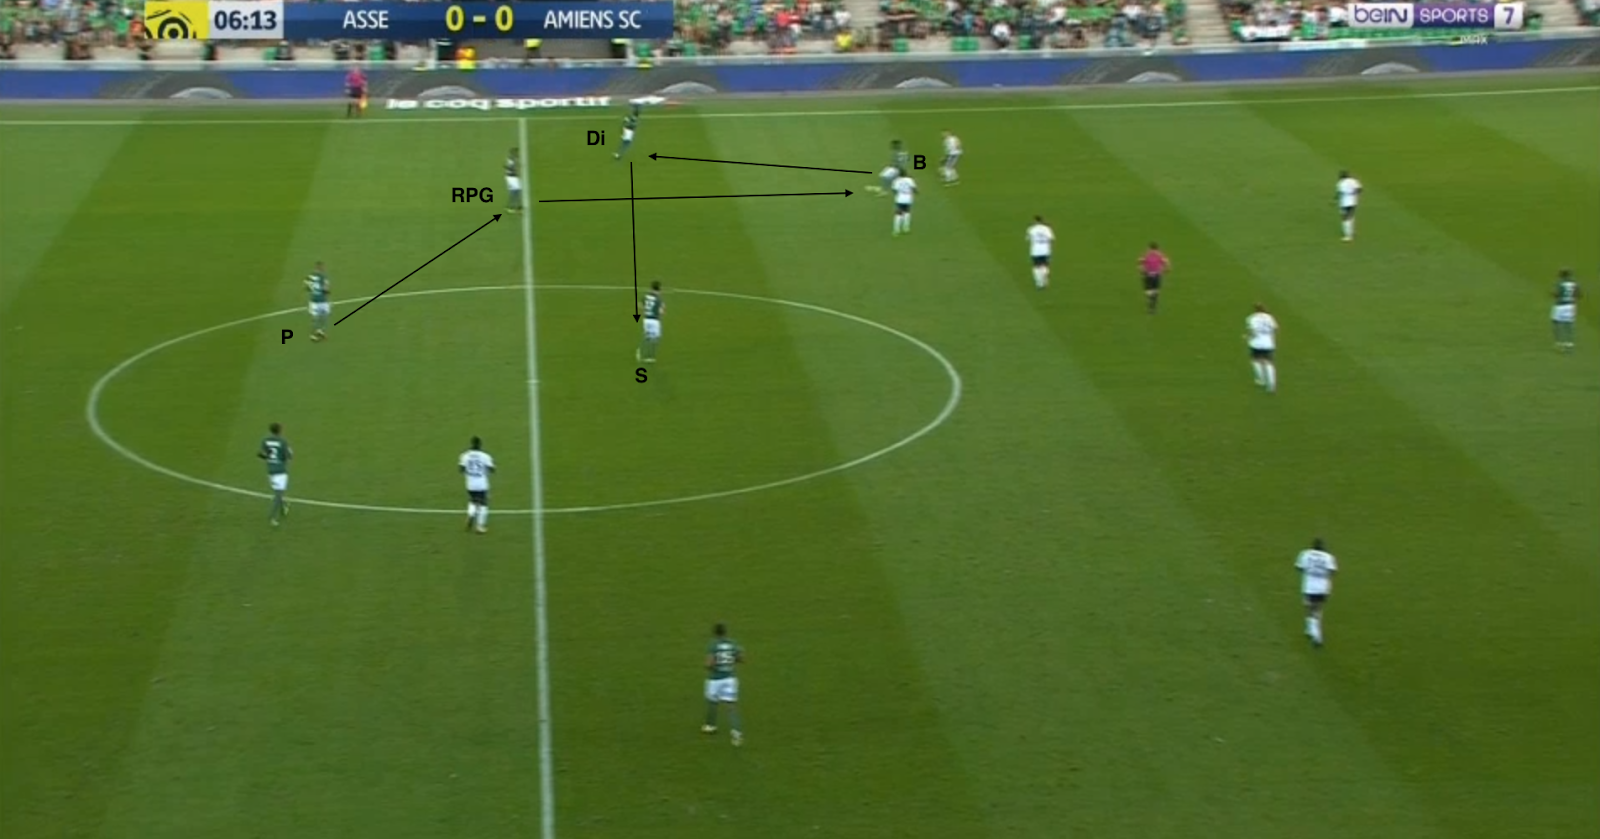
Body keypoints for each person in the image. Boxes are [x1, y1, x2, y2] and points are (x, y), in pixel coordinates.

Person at [701, 622, 745, 746]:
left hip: (715, 679)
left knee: (712, 701)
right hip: (730, 679)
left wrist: (709, 666)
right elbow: (741, 658)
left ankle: (710, 726)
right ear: (726, 632)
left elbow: (709, 663)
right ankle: (736, 732)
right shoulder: (733, 644)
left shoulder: (713, 645)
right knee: (731, 707)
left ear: (715, 633)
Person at [1294, 538, 1338, 647]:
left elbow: (1299, 567)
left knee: (1310, 608)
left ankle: (1317, 636)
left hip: (1309, 586)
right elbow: (1332, 571)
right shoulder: (1328, 557)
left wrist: (1310, 571)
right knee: (1317, 608)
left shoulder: (1306, 554)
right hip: (1323, 587)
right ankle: (1310, 629)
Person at [258, 422, 292, 526]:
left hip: (270, 471)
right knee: (278, 495)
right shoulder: (283, 441)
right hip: (280, 471)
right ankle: (272, 518)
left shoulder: (265, 440)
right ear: (280, 430)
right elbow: (287, 457)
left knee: (278, 492)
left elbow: (260, 454)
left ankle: (284, 507)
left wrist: (268, 458)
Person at [459, 436, 496, 534]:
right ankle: (480, 526)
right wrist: (486, 470)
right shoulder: (485, 456)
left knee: (473, 501)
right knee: (483, 504)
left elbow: (461, 469)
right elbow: (492, 469)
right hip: (482, 484)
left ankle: (471, 514)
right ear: (480, 444)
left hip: (470, 484)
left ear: (471, 444)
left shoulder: (465, 456)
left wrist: (469, 472)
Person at [1245, 303, 1279, 393]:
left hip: (1256, 343)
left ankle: (1261, 380)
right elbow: (1275, 329)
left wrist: (1247, 337)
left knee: (1256, 360)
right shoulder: (1269, 317)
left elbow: (1252, 332)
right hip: (1268, 343)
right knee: (1269, 363)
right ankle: (1272, 385)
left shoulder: (1252, 318)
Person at [1551, 268, 1581, 353]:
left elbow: (1557, 294)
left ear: (1563, 276)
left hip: (1560, 306)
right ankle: (1569, 344)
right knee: (1569, 324)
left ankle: (1559, 343)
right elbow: (1579, 295)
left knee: (1556, 323)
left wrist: (1552, 294)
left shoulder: (1561, 284)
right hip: (1571, 306)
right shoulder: (1575, 284)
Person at [1139, 242, 1170, 314]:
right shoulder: (1160, 255)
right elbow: (1166, 262)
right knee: (1155, 291)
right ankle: (1153, 306)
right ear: (1157, 248)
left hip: (1148, 275)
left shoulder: (1146, 254)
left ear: (1149, 248)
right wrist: (1167, 269)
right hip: (1157, 275)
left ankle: (1151, 303)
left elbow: (1140, 261)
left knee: (1148, 291)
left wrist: (1141, 269)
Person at [638, 280, 664, 363]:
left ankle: (641, 351)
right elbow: (661, 311)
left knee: (648, 336)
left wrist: (645, 311)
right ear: (659, 289)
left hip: (646, 319)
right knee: (655, 338)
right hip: (654, 320)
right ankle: (650, 356)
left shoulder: (645, 296)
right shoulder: (658, 299)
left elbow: (640, 305)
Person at [1026, 216, 1054, 290]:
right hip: (1045, 250)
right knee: (1045, 265)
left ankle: (1039, 283)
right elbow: (1051, 239)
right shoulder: (1047, 228)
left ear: (1035, 221)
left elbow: (1027, 239)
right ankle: (1045, 276)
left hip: (1035, 251)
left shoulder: (1031, 229)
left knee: (1036, 266)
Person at [1335, 169, 1362, 242]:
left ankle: (1348, 236)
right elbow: (1359, 189)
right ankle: (1351, 232)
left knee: (1345, 218)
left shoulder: (1341, 183)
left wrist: (1335, 200)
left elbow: (1339, 193)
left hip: (1345, 203)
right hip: (1353, 201)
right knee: (1351, 216)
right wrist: (1354, 193)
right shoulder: (1354, 181)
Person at [306, 262, 330, 342]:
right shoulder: (323, 277)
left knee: (316, 318)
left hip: (314, 301)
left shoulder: (310, 277)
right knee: (323, 316)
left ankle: (318, 331)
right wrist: (326, 291)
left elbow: (307, 288)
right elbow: (326, 289)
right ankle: (314, 334)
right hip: (322, 300)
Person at [890, 171, 917, 236]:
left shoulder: (897, 180)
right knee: (907, 212)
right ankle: (906, 228)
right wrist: (915, 192)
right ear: (906, 174)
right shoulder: (910, 180)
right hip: (908, 198)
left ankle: (896, 230)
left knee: (898, 214)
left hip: (900, 198)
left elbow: (894, 190)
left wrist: (898, 193)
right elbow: (914, 188)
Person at [505, 148, 523, 214]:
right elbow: (510, 168)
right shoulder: (512, 161)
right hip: (512, 178)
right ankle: (512, 207)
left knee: (516, 191)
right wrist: (516, 171)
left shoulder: (511, 160)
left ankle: (515, 206)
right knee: (515, 192)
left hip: (512, 177)